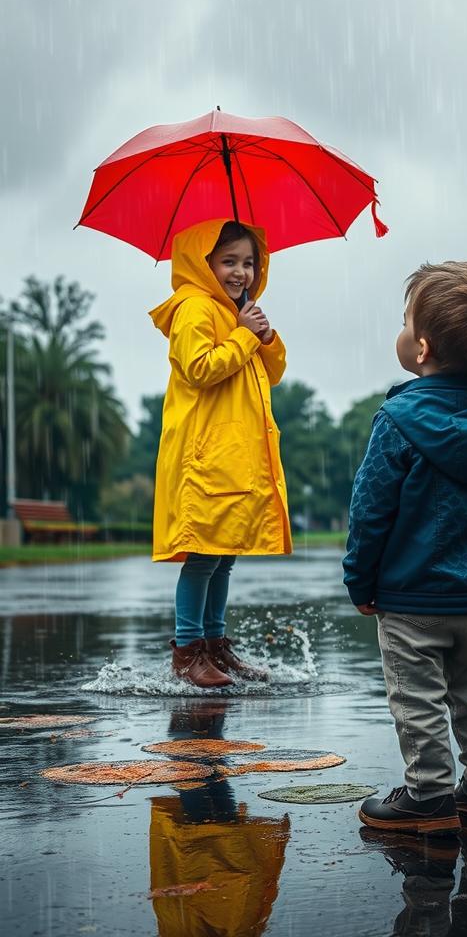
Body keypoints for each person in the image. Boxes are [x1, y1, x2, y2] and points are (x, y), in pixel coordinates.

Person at [343, 261, 467, 835]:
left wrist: (361, 579)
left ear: (421, 347)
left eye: (405, 322)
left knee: (417, 699)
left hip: (410, 594)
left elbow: (371, 507)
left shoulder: (399, 418)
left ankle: (427, 797)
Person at [149, 218, 292, 689]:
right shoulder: (194, 308)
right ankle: (188, 651)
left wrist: (264, 337)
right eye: (229, 261)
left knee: (225, 552)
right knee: (204, 554)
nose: (241, 272)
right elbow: (199, 369)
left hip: (232, 454)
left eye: (249, 262)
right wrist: (244, 335)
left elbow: (271, 374)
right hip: (203, 455)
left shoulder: (239, 311)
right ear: (202, 263)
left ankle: (215, 645)